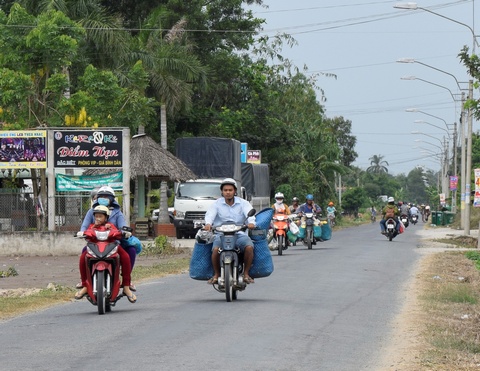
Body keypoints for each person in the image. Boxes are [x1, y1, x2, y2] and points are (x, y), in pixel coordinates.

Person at [77, 186, 138, 291]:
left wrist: (124, 232)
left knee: (129, 253)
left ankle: (127, 282)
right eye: (101, 196)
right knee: (83, 255)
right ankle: (85, 282)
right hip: (95, 243)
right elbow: (84, 226)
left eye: (106, 196)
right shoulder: (91, 212)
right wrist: (82, 232)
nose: (103, 198)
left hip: (113, 243)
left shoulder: (117, 213)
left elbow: (122, 226)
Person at [75, 205, 136, 303]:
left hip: (111, 247)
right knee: (83, 258)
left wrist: (122, 232)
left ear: (106, 218)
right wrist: (83, 233)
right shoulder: (91, 226)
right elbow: (86, 233)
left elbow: (118, 232)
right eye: (96, 216)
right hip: (95, 248)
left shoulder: (111, 226)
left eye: (100, 216)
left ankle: (126, 286)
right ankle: (85, 285)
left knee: (125, 257)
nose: (98, 218)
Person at [203, 178, 256, 285]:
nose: (228, 192)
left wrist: (251, 223)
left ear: (235, 191)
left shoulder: (243, 203)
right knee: (215, 250)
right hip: (221, 234)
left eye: (230, 190)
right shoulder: (216, 204)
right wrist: (208, 224)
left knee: (249, 247)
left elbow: (250, 215)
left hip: (239, 234)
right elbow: (210, 215)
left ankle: (246, 274)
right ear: (222, 192)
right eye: (225, 190)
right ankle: (217, 274)